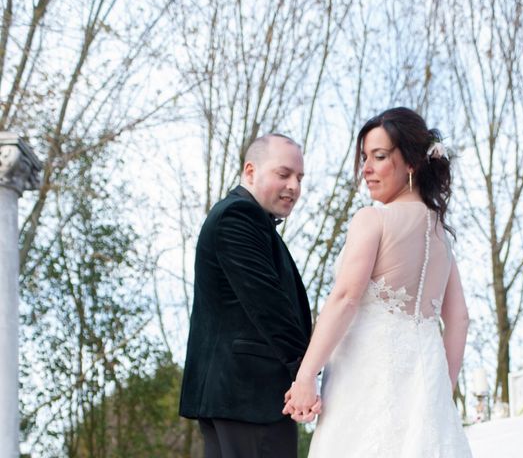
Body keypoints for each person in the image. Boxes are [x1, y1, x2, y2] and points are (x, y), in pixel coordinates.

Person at [283, 107, 473, 456]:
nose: (367, 169)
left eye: (380, 157)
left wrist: (306, 376)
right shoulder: (441, 237)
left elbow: (345, 298)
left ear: (412, 163)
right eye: (364, 157)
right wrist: (441, 393)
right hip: (425, 395)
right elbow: (459, 319)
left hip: (364, 384)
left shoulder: (373, 220)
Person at [180, 133, 320, 458]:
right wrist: (304, 373)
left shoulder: (251, 220)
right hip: (248, 395)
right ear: (251, 172)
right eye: (283, 174)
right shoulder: (238, 216)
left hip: (237, 397)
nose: (294, 187)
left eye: (299, 178)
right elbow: (268, 305)